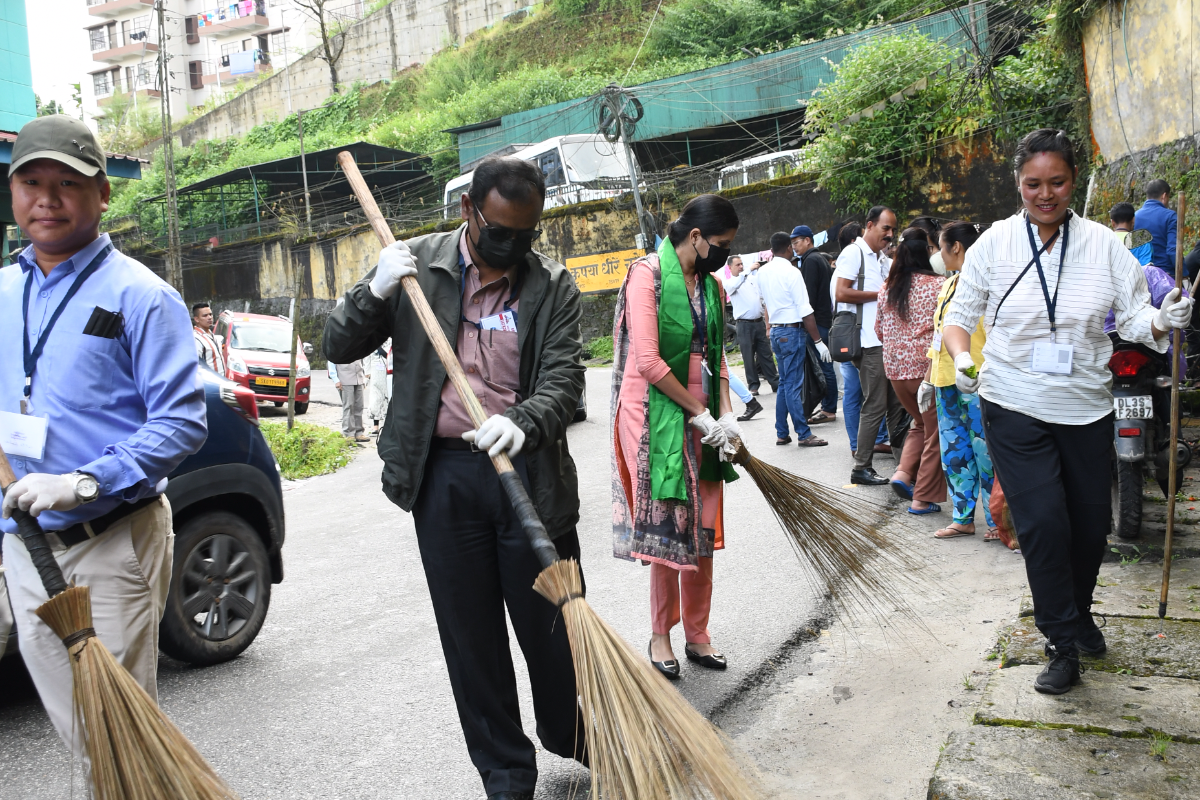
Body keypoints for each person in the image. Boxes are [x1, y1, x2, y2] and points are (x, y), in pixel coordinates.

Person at [323, 155, 588, 800]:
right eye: (499, 230)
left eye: (524, 234)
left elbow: (565, 377)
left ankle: (575, 734)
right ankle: (504, 771)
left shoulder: (551, 286)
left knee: (557, 630)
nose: (511, 246)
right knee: (471, 640)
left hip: (529, 475)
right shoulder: (416, 266)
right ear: (469, 210)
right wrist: (375, 290)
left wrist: (524, 421)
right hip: (443, 480)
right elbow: (336, 343)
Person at [943, 128, 1194, 695]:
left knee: (1090, 528)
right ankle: (1061, 642)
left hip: (1085, 406)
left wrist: (1161, 321)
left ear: (1073, 182)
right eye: (1034, 183)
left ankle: (1076, 613)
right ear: (1018, 183)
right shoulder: (995, 244)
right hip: (1013, 403)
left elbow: (1131, 319)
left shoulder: (1105, 245)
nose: (1045, 194)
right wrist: (961, 356)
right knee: (1043, 523)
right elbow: (962, 314)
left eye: (1056, 182)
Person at [0, 115, 207, 758]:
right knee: (73, 730)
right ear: (12, 192)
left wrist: (85, 479)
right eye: (31, 181)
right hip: (22, 545)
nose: (47, 198)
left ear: (103, 193)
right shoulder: (3, 290)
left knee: (118, 740)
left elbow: (182, 421)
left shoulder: (142, 297)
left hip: (111, 540)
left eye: (68, 182)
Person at [612, 194, 743, 681]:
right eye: (721, 244)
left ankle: (698, 632)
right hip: (654, 416)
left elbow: (718, 356)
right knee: (669, 526)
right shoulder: (645, 275)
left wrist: (725, 416)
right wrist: (700, 414)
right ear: (695, 237)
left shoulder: (711, 287)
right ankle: (660, 634)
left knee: (703, 524)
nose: (724, 254)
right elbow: (647, 361)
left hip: (703, 412)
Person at [918, 221, 997, 540]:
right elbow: (940, 334)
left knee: (986, 452)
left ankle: (997, 521)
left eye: (940, 246)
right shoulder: (948, 285)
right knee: (955, 452)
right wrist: (928, 379)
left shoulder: (987, 283)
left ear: (956, 248)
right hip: (945, 379)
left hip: (976, 377)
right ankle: (963, 517)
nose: (936, 253)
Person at [875, 228, 947, 513]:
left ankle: (903, 474)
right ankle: (922, 497)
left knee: (921, 423)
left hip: (895, 371)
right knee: (939, 429)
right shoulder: (938, 285)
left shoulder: (886, 288)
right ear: (927, 253)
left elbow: (879, 331)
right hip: (926, 371)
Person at [835, 206, 909, 484]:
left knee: (895, 405)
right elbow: (841, 292)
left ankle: (904, 466)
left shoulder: (880, 258)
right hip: (867, 342)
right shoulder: (854, 253)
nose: (890, 235)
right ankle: (861, 467)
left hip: (882, 340)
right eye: (885, 228)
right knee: (876, 404)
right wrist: (881, 294)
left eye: (892, 229)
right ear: (869, 226)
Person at [758, 231, 832, 447]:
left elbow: (765, 305)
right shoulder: (792, 272)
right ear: (789, 248)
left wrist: (768, 327)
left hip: (777, 331)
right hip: (792, 332)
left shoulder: (762, 272)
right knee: (792, 385)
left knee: (784, 383)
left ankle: (782, 432)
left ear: (772, 249)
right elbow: (805, 309)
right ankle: (803, 433)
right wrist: (818, 342)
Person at [792, 225, 838, 425]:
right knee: (825, 365)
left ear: (808, 240)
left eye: (797, 242)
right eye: (792, 243)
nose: (794, 247)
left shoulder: (811, 261)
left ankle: (829, 408)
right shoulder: (818, 259)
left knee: (824, 366)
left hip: (817, 321)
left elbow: (807, 297)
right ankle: (828, 406)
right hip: (823, 319)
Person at [720, 254, 778, 396]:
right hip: (744, 324)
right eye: (737, 265)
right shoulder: (730, 282)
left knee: (766, 353)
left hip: (758, 321)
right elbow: (735, 285)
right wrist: (747, 271)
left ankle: (775, 382)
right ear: (730, 267)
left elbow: (762, 298)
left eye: (742, 264)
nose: (741, 267)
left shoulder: (752, 280)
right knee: (748, 355)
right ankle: (753, 385)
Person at [1134, 178, 1177, 270]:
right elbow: (1172, 250)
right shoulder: (1170, 216)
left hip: (1142, 273)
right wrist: (1184, 274)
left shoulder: (1134, 216)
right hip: (1165, 273)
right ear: (1164, 196)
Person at [328, 356, 368, 442]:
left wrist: (364, 378)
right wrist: (335, 379)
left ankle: (359, 432)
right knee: (349, 406)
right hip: (344, 379)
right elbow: (331, 361)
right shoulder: (338, 346)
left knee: (359, 406)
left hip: (358, 378)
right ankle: (348, 433)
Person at [192, 301, 225, 375]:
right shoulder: (196, 339)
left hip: (221, 381)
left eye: (210, 314)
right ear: (196, 319)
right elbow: (196, 366)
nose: (209, 317)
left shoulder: (212, 335)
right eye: (205, 315)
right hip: (210, 383)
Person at [365, 341, 391, 436]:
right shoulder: (374, 339)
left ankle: (387, 425)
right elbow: (367, 356)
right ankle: (375, 426)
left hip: (388, 371)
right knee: (375, 399)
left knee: (388, 399)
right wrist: (367, 372)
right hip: (375, 372)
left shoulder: (391, 340)